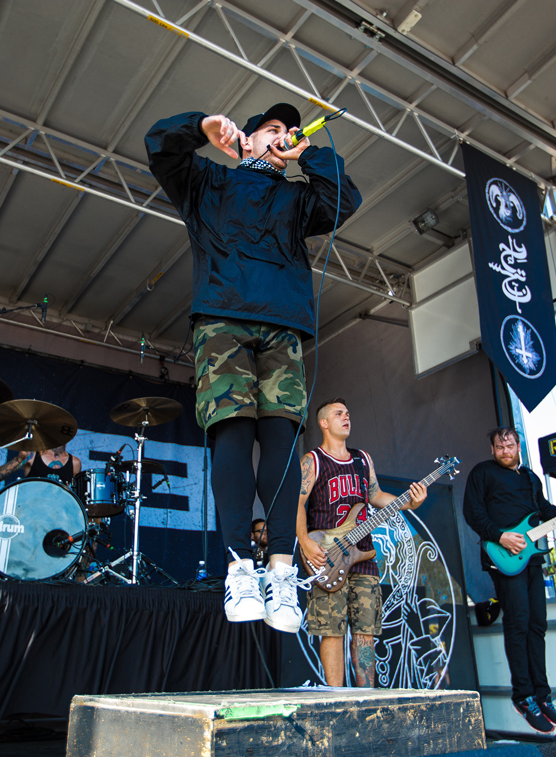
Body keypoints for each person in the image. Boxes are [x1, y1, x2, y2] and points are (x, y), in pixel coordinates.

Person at [146, 103, 361, 632]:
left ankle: (283, 573)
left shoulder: (298, 196)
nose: (283, 135)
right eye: (272, 129)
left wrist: (309, 156)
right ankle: (241, 567)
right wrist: (200, 125)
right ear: (245, 140)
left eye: (289, 131)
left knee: (284, 443)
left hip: (283, 324)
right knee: (233, 438)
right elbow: (158, 146)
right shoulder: (207, 181)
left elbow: (344, 201)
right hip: (222, 319)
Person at [462, 427, 556, 733]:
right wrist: (500, 536)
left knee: (538, 624)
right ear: (492, 449)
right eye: (499, 447)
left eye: (510, 446)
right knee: (518, 621)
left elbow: (545, 512)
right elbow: (472, 512)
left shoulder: (531, 478)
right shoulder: (483, 473)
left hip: (532, 558)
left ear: (518, 446)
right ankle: (523, 696)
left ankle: (542, 696)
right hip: (503, 557)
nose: (505, 451)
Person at [296, 398, 427, 686]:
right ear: (323, 423)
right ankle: (335, 697)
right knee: (331, 630)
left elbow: (376, 496)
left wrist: (409, 503)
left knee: (365, 630)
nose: (346, 417)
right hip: (327, 554)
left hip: (363, 555)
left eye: (348, 413)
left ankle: (366, 695)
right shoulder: (313, 460)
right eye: (338, 414)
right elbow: (298, 502)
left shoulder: (362, 459)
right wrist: (304, 541)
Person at [0, 444, 81, 486]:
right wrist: (19, 459)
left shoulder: (75, 463)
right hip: (30, 511)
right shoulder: (32, 455)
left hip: (56, 516)